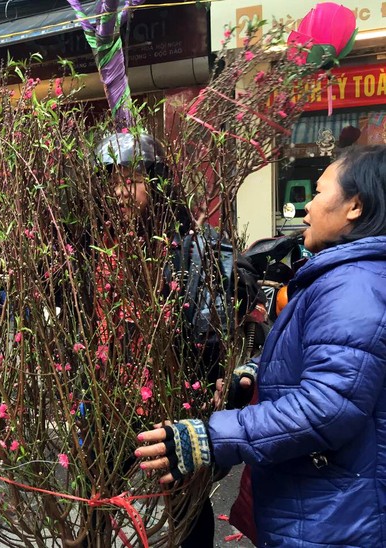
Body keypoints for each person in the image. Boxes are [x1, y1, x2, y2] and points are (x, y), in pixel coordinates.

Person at [135, 145, 386, 546]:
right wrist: (256, 375)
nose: (306, 208)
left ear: (354, 206)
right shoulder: (346, 277)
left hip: (337, 521)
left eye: (319, 193)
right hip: (327, 507)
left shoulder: (353, 287)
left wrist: (212, 438)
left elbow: (328, 406)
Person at [95, 131, 260, 547]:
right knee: (95, 491)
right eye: (112, 180)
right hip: (113, 395)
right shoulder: (100, 246)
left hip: (173, 393)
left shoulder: (189, 248)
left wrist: (221, 381)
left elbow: (231, 323)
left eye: (130, 179)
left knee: (185, 501)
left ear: (157, 181)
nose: (119, 191)